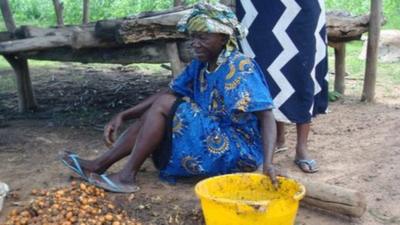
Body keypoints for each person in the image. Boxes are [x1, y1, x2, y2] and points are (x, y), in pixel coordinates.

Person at [61, 2, 278, 193]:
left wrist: (268, 164)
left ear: (223, 38)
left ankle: (126, 177)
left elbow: (267, 116)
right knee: (159, 107)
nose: (195, 43)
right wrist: (124, 114)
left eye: (203, 37)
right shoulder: (201, 65)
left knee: (164, 106)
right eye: (193, 37)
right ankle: (99, 165)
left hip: (240, 151)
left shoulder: (239, 66)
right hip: (213, 134)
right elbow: (169, 92)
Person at [236, 0, 329, 173]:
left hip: (301, 6)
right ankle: (277, 139)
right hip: (258, 6)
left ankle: (302, 147)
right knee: (261, 66)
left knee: (302, 66)